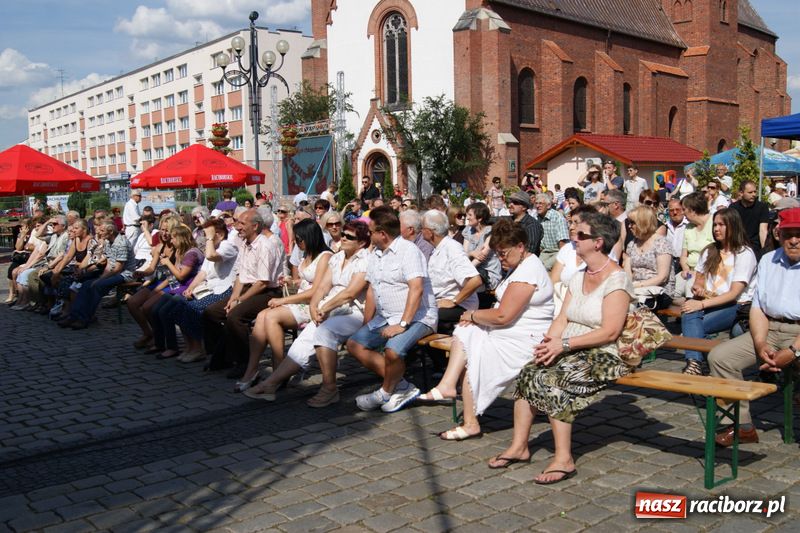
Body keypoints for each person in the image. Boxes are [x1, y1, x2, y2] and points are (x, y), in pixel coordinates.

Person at [490, 212, 633, 483]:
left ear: (598, 242)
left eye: (580, 235)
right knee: (531, 370)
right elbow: (562, 318)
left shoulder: (617, 279)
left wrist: (563, 344)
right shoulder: (580, 276)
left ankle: (564, 459)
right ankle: (519, 446)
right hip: (570, 345)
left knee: (555, 379)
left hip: (604, 351)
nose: (573, 239)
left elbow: (610, 331)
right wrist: (548, 344)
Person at [418, 219, 554, 440]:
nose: (500, 259)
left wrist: (472, 315)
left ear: (520, 247)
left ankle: (463, 409)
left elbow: (503, 315)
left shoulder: (529, 270)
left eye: (503, 253)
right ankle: (449, 386)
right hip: (511, 330)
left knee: (471, 347)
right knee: (466, 333)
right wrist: (474, 319)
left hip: (527, 338)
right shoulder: (519, 266)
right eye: (498, 254)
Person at [245, 220, 371, 406]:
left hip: (353, 313)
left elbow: (350, 293)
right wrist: (314, 306)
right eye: (343, 234)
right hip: (329, 309)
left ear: (361, 243)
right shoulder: (337, 258)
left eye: (349, 237)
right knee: (300, 344)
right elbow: (322, 287)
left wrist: (323, 308)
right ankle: (270, 384)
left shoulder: (365, 260)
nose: (343, 238)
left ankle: (329, 388)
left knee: (324, 333)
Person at [707, 207, 800, 446]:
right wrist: (760, 344)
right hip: (768, 329)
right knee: (720, 357)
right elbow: (758, 307)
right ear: (778, 234)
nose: (794, 239)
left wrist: (793, 351)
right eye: (788, 233)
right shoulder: (769, 260)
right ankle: (741, 425)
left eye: (799, 233)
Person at [346, 206, 438, 413]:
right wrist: (366, 323)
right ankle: (402, 385)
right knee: (354, 344)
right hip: (386, 317)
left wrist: (402, 324)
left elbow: (416, 289)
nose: (368, 235)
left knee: (393, 350)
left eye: (371, 232)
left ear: (382, 234)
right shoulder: (376, 254)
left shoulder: (409, 251)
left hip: (419, 317)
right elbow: (371, 290)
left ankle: (385, 392)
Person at [237, 219, 332, 392]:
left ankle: (278, 369)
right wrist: (292, 281)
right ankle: (254, 369)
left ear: (308, 238)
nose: (296, 242)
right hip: (302, 299)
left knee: (271, 316)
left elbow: (316, 291)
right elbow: (306, 282)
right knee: (262, 316)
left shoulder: (325, 257)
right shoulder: (307, 254)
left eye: (298, 239)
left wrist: (283, 300)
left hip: (315, 304)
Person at [202, 210, 285, 376]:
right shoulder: (245, 244)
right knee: (210, 313)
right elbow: (241, 275)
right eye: (237, 223)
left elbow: (263, 282)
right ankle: (221, 355)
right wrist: (233, 298)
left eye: (241, 223)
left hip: (267, 292)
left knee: (235, 316)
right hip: (249, 288)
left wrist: (239, 301)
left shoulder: (265, 246)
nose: (237, 227)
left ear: (255, 226)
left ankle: (244, 363)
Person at [680, 208, 756, 375]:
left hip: (736, 305)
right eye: (714, 225)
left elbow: (734, 293)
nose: (716, 229)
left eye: (722, 225)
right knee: (689, 313)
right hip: (711, 301)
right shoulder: (709, 250)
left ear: (733, 226)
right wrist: (698, 288)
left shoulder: (744, 253)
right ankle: (696, 362)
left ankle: (694, 362)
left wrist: (700, 304)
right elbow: (699, 279)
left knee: (694, 324)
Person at [165, 218, 239, 363]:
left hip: (225, 291)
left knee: (191, 309)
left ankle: (199, 348)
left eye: (208, 234)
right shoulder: (212, 246)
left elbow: (211, 256)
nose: (205, 238)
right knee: (177, 307)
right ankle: (190, 346)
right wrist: (191, 288)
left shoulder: (227, 246)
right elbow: (203, 272)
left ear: (219, 234)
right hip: (209, 289)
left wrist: (211, 239)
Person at [58, 222, 137, 329]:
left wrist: (100, 279)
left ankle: (85, 318)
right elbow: (109, 263)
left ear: (111, 232)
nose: (99, 233)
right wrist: (99, 276)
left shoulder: (121, 243)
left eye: (102, 231)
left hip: (125, 274)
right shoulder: (108, 242)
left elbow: (118, 268)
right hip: (114, 272)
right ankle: (74, 315)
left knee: (96, 286)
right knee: (86, 285)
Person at [146, 225, 205, 358]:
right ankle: (161, 343)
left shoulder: (191, 254)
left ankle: (173, 347)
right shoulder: (181, 251)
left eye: (173, 238)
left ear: (180, 238)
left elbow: (181, 276)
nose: (171, 241)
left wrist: (168, 263)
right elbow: (176, 277)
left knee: (165, 311)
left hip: (190, 288)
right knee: (155, 310)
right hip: (179, 287)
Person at [421, 209, 482, 335]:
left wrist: (454, 301)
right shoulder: (437, 249)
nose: (420, 231)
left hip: (459, 307)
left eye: (422, 228)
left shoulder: (452, 248)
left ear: (430, 232)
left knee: (422, 318)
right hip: (439, 303)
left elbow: (475, 280)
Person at [127, 215, 181, 348]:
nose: (163, 233)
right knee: (132, 303)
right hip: (158, 281)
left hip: (172, 283)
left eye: (167, 230)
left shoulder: (178, 248)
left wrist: (157, 290)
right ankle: (148, 333)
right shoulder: (159, 247)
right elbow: (152, 268)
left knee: (147, 307)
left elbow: (175, 276)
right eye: (162, 229)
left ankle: (159, 337)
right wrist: (142, 273)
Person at [623, 206, 675, 311]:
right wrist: (629, 286)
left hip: (659, 291)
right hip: (637, 289)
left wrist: (637, 286)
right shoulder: (632, 244)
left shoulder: (661, 243)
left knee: (630, 307)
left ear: (643, 222)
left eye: (632, 223)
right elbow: (627, 272)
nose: (629, 226)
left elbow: (662, 277)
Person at [463, 202, 502, 309]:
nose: (467, 218)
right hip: (471, 269)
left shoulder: (490, 233)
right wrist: (471, 253)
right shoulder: (468, 231)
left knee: (465, 282)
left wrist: (464, 272)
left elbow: (481, 256)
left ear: (479, 218)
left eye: (470, 215)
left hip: (487, 272)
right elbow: (464, 254)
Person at [679, 192, 714, 298]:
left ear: (693, 210)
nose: (682, 213)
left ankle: (691, 310)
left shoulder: (714, 223)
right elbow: (684, 255)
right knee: (671, 289)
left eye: (684, 209)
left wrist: (698, 273)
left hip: (707, 272)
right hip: (689, 270)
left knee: (690, 287)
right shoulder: (689, 227)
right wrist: (686, 269)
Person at [730, 180, 770, 261]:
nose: (754, 194)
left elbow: (763, 230)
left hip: (755, 247)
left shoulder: (762, 207)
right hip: (737, 246)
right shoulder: (733, 208)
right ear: (741, 193)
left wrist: (764, 252)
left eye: (755, 192)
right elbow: (731, 229)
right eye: (750, 192)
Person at [534, 193, 569, 270]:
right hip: (544, 252)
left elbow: (562, 243)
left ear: (548, 205)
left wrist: (562, 259)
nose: (537, 206)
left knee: (544, 267)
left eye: (540, 203)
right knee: (535, 267)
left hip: (557, 251)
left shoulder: (558, 217)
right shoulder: (536, 218)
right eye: (536, 203)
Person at [507, 191, 544, 256]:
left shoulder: (532, 225)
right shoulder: (508, 219)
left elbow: (530, 250)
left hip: (525, 263)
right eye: (510, 202)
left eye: (515, 203)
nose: (510, 205)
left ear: (524, 207)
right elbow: (488, 219)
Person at [665, 198, 689, 295]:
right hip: (668, 263)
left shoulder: (689, 226)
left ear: (683, 210)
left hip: (684, 264)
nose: (675, 213)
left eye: (678, 209)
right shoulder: (664, 227)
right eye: (671, 210)